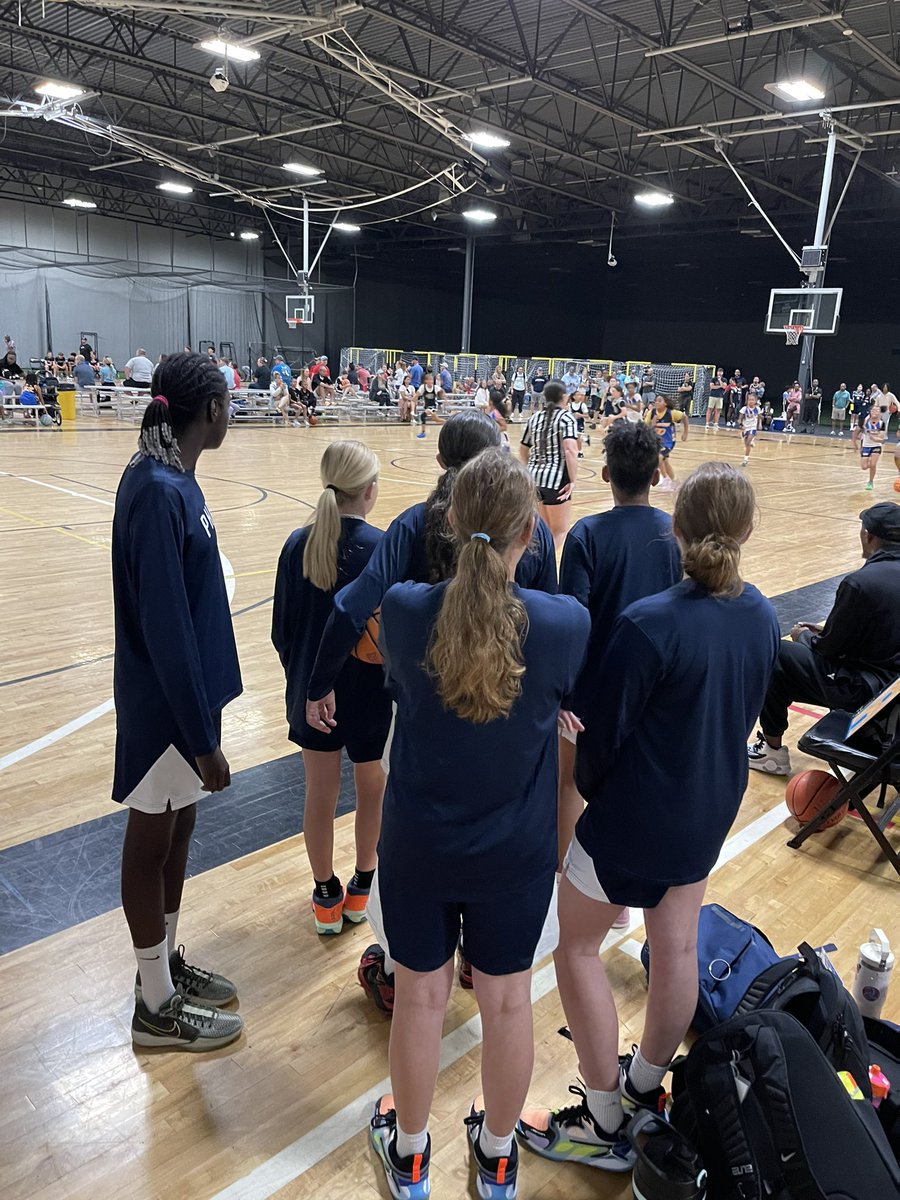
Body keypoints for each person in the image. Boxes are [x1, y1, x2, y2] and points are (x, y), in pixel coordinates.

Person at [519, 463, 779, 1171]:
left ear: (677, 531)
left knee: (575, 950)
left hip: (632, 821)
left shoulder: (649, 623)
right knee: (678, 951)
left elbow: (601, 741)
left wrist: (593, 791)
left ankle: (604, 1120)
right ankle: (643, 1085)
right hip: (705, 816)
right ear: (747, 532)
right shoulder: (762, 615)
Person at [368, 449, 590, 1200]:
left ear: (452, 520)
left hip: (419, 846)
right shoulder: (565, 624)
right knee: (505, 1001)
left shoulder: (403, 610)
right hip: (513, 854)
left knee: (422, 999)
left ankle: (409, 1155)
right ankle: (496, 1157)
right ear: (533, 530)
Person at [112, 352, 244, 1051]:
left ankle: (162, 964)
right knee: (152, 837)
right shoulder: (158, 489)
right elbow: (164, 625)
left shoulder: (173, 479)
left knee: (178, 829)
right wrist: (200, 735)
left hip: (188, 702)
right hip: (166, 706)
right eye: (228, 404)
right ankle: (153, 1004)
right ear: (211, 411)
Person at [557, 420, 682, 899]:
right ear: (655, 477)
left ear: (606, 474)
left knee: (568, 783)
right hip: (656, 685)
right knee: (636, 782)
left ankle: (572, 883)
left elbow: (573, 616)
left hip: (589, 690)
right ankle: (623, 890)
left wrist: (564, 691)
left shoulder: (587, 534)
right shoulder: (675, 534)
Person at [272, 442, 391, 936]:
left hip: (311, 692)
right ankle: (364, 887)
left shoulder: (297, 544)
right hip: (370, 691)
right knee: (373, 792)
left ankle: (325, 897)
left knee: (319, 796)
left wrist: (304, 678)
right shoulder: (384, 546)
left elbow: (281, 631)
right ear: (368, 490)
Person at [749, 502, 900, 776]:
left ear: (869, 535)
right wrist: (827, 631)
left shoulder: (862, 582)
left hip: (868, 694)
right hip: (894, 695)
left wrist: (804, 636)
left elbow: (828, 651)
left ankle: (771, 752)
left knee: (776, 654)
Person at [520, 381, 579, 549]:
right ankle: (546, 567)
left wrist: (530, 467)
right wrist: (573, 480)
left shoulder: (534, 418)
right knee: (559, 531)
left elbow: (523, 448)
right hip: (557, 481)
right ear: (564, 397)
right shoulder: (567, 418)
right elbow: (570, 450)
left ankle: (535, 566)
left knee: (543, 530)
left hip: (533, 480)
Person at [643, 394, 688, 490]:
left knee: (658, 458)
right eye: (656, 401)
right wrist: (653, 425)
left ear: (665, 403)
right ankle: (674, 481)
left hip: (668, 441)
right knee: (665, 462)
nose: (657, 402)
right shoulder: (651, 412)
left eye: (660, 401)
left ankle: (665, 479)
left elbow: (685, 417)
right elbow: (645, 427)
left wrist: (685, 433)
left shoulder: (672, 413)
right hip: (657, 441)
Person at [859, 404, 886, 492]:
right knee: (864, 467)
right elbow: (863, 433)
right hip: (866, 445)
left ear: (880, 413)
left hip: (876, 445)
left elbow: (882, 439)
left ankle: (870, 481)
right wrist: (861, 445)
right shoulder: (866, 420)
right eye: (873, 410)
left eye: (877, 410)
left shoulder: (882, 423)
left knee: (873, 464)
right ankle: (869, 462)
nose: (875, 412)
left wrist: (875, 438)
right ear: (870, 412)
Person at [415, 371, 445, 438]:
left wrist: (445, 398)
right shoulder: (423, 387)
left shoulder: (435, 387)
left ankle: (423, 432)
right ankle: (448, 423)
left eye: (432, 380)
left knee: (423, 416)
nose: (431, 381)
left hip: (433, 406)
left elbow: (442, 391)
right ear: (426, 381)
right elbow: (417, 394)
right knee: (436, 420)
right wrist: (413, 399)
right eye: (430, 380)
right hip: (426, 406)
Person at [738, 388, 761, 466]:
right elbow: (740, 418)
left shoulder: (757, 409)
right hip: (745, 428)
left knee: (748, 442)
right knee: (746, 444)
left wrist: (760, 424)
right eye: (750, 399)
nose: (751, 401)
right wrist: (740, 424)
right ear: (747, 401)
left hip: (753, 427)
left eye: (753, 400)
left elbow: (760, 417)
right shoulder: (744, 409)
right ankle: (746, 457)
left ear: (755, 401)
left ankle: (745, 459)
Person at [569, 388, 590, 458]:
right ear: (574, 397)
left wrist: (580, 415)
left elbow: (587, 416)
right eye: (578, 395)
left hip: (580, 423)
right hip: (572, 423)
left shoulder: (583, 405)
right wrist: (573, 415)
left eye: (580, 395)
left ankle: (580, 452)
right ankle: (585, 439)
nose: (580, 396)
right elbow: (568, 414)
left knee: (578, 438)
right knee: (573, 438)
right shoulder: (570, 405)